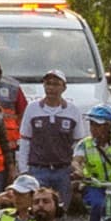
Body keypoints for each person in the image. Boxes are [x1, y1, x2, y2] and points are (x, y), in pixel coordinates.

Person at [20, 69, 86, 206]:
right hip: (38, 168)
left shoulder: (72, 111)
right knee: (40, 208)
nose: (51, 88)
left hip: (63, 170)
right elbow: (25, 140)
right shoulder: (32, 108)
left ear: (64, 87)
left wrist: (77, 167)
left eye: (56, 84)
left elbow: (78, 143)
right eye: (48, 83)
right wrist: (23, 169)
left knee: (62, 208)